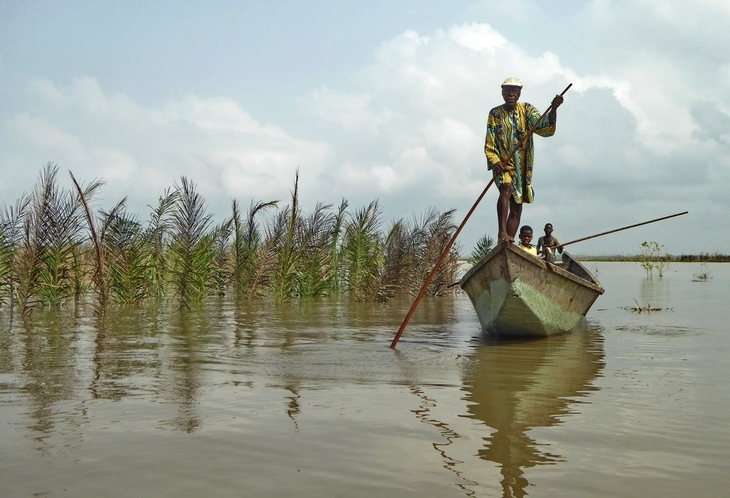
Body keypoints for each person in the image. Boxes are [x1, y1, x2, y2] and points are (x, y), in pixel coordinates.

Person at [485, 77, 564, 243]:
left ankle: (509, 241)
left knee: (517, 205)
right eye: (507, 91)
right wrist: (494, 161)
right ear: (502, 93)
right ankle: (502, 234)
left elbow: (544, 128)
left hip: (522, 166)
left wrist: (554, 109)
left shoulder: (527, 109)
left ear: (520, 93)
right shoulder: (495, 114)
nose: (510, 94)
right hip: (504, 164)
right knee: (505, 188)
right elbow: (490, 140)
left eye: (514, 91)